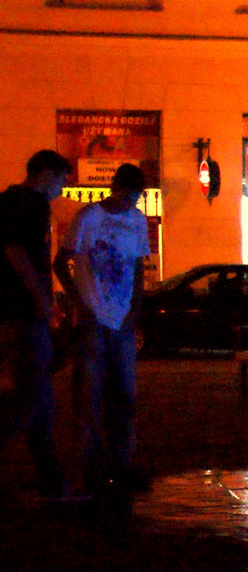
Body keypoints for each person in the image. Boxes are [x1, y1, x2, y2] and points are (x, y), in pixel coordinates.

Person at [59, 162, 150, 495]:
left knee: (124, 397)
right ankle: (90, 469)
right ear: (118, 189)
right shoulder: (89, 218)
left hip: (121, 318)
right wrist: (79, 303)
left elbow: (139, 265)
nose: (133, 202)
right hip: (93, 318)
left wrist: (135, 308)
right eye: (131, 194)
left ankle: (120, 465)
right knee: (89, 397)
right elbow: (62, 260)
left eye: (137, 196)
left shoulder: (137, 220)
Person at [0, 149, 73, 499]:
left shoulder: (10, 200)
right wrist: (43, 301)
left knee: (41, 404)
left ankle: (54, 482)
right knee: (34, 396)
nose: (62, 188)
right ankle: (53, 483)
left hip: (18, 313)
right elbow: (16, 252)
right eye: (60, 180)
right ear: (45, 173)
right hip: (24, 314)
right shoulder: (29, 203)